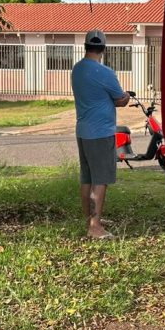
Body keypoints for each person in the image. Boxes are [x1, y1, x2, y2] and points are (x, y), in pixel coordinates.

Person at [71, 29, 130, 239]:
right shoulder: (105, 72)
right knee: (101, 179)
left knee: (86, 178)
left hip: (83, 131)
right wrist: (127, 97)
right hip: (101, 133)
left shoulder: (77, 69)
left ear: (86, 46)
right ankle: (95, 227)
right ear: (103, 48)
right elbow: (120, 99)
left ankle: (90, 219)